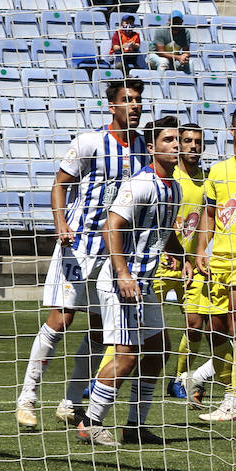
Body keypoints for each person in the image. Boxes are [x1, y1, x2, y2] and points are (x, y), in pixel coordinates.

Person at [16, 79, 147, 430]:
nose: (134, 106)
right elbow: (60, 184)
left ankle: (70, 402)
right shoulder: (90, 142)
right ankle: (27, 399)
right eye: (127, 100)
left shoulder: (143, 149)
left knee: (101, 326)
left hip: (114, 253)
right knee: (61, 320)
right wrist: (60, 223)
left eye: (137, 100)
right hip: (77, 247)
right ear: (112, 106)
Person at [75, 116, 182, 447]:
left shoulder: (173, 187)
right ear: (151, 148)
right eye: (169, 140)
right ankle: (90, 423)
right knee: (126, 356)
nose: (177, 145)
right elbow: (112, 226)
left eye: (179, 140)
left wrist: (183, 255)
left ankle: (134, 426)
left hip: (144, 285)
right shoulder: (141, 184)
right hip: (122, 281)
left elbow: (163, 229)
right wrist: (122, 273)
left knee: (159, 348)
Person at [192, 105, 236, 421]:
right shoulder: (217, 171)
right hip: (218, 261)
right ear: (231, 130)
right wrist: (201, 249)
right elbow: (210, 215)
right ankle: (235, 392)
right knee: (215, 331)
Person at [158, 124, 227, 401]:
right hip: (161, 261)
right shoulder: (168, 177)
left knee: (195, 325)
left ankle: (179, 379)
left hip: (191, 264)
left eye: (198, 141)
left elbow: (209, 220)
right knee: (137, 323)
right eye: (187, 141)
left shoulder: (207, 181)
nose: (193, 146)